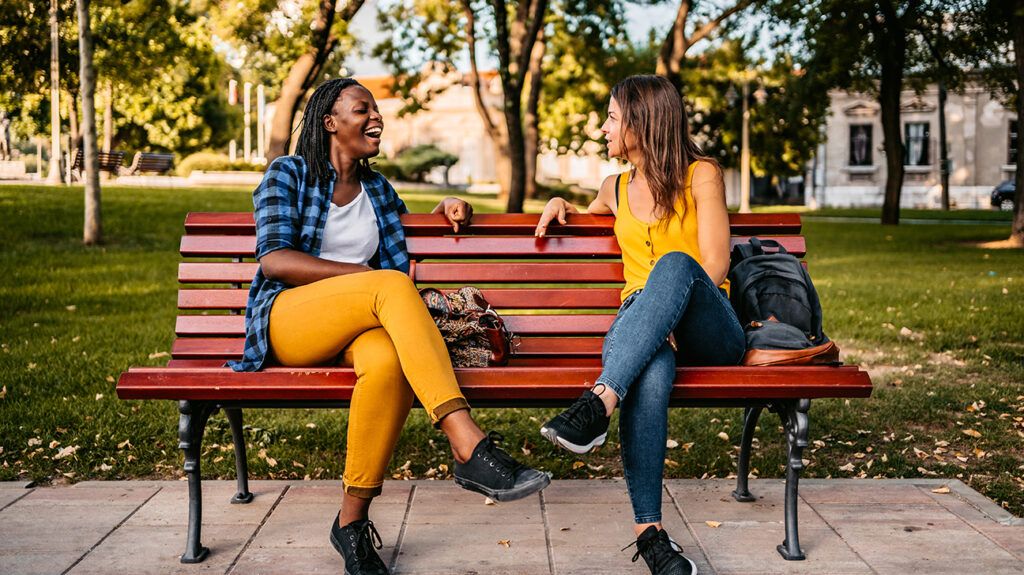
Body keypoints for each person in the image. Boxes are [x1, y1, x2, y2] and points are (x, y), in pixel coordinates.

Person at [231, 78, 549, 575]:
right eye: (363, 110)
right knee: (389, 286)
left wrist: (442, 210)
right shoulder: (287, 174)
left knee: (387, 362)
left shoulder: (377, 188)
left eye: (377, 111)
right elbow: (275, 260)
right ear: (329, 122)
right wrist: (364, 278)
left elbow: (396, 248)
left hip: (356, 331)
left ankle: (351, 525)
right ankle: (466, 440)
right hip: (291, 323)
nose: (376, 118)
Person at [535, 75, 745, 575]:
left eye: (611, 116)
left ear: (642, 121)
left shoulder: (702, 175)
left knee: (674, 263)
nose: (603, 127)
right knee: (649, 368)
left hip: (708, 323)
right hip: (643, 328)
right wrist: (562, 204)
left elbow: (714, 265)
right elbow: (585, 218)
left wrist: (669, 314)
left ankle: (599, 402)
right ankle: (649, 533)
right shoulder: (614, 187)